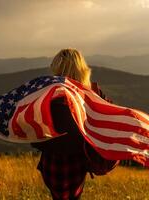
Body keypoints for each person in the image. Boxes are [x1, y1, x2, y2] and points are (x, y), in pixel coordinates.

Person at [31, 48, 117, 200]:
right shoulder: (91, 94)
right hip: (77, 163)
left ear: (59, 67)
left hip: (52, 162)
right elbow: (109, 116)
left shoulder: (48, 93)